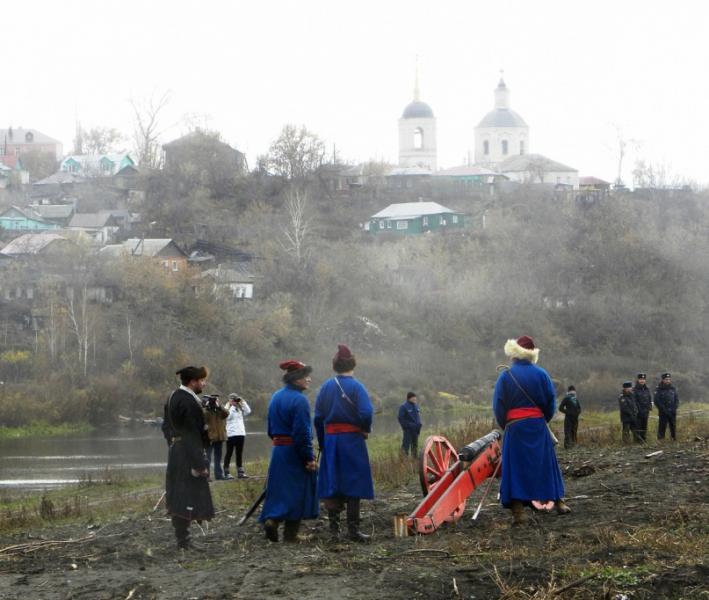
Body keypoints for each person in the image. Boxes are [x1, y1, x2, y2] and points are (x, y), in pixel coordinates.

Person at [492, 336, 569, 526]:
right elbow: (551, 403)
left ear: (514, 353)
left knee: (515, 468)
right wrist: (541, 420)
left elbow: (498, 406)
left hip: (515, 427)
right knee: (545, 464)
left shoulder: (506, 376)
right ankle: (559, 502)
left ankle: (518, 512)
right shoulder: (542, 374)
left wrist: (506, 424)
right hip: (537, 424)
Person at [314, 344, 374, 542]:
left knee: (334, 481)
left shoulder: (325, 387)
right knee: (353, 481)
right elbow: (366, 413)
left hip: (331, 441)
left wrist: (323, 442)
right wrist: (364, 429)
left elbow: (318, 418)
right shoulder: (357, 387)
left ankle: (334, 532)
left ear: (335, 365)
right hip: (352, 441)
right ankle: (353, 531)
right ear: (352, 363)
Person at [259, 360, 319, 543]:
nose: (309, 380)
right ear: (296, 379)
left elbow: (270, 429)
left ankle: (272, 520)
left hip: (279, 451)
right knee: (296, 491)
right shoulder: (300, 400)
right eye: (305, 376)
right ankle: (290, 536)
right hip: (294, 451)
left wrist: (280, 443)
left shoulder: (276, 396)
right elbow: (302, 433)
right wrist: (308, 458)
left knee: (279, 490)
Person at [163, 366, 214, 550]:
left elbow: (165, 427)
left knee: (179, 494)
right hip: (187, 452)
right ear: (193, 382)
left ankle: (182, 539)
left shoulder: (172, 397)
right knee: (186, 495)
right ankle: (184, 541)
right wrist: (199, 464)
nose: (204, 383)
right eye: (202, 380)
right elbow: (193, 434)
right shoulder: (188, 402)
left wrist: (173, 444)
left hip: (177, 451)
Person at [223, 393, 252, 479]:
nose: (235, 401)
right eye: (233, 399)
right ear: (230, 400)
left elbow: (248, 411)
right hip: (231, 434)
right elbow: (227, 416)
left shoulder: (239, 409)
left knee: (239, 453)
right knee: (229, 453)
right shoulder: (228, 408)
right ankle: (226, 472)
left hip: (240, 433)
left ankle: (240, 472)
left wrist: (242, 401)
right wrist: (230, 405)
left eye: (235, 399)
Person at [203, 394, 229, 480]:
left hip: (219, 437)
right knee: (208, 458)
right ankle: (207, 476)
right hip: (209, 438)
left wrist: (219, 406)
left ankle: (219, 475)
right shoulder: (206, 411)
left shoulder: (219, 410)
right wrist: (207, 407)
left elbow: (226, 414)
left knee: (218, 458)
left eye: (215, 400)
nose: (214, 402)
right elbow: (202, 418)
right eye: (213, 400)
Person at [654, 372, 679, 441]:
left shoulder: (673, 388)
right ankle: (661, 440)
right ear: (663, 380)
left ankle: (673, 439)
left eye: (669, 379)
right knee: (662, 427)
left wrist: (674, 408)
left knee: (673, 426)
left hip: (672, 411)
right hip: (663, 412)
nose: (668, 381)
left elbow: (676, 399)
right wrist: (664, 409)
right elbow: (657, 401)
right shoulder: (659, 389)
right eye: (666, 379)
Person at [398, 392, 422, 457]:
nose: (415, 400)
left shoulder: (416, 406)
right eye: (413, 399)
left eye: (415, 399)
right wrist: (407, 427)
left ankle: (414, 460)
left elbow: (418, 416)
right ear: (409, 398)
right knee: (406, 446)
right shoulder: (403, 407)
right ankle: (403, 460)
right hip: (408, 430)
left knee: (415, 446)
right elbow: (400, 418)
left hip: (416, 430)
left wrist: (419, 424)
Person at [632, 373, 653, 442]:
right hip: (638, 412)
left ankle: (644, 439)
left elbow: (649, 398)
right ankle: (638, 440)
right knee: (638, 426)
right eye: (641, 379)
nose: (642, 381)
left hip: (646, 411)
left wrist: (649, 407)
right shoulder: (635, 389)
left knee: (644, 426)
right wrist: (638, 410)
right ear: (638, 380)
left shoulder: (647, 389)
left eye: (643, 379)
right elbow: (634, 401)